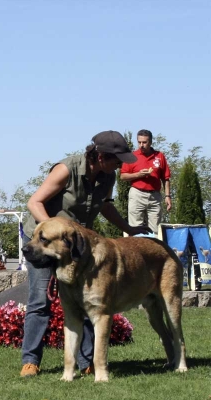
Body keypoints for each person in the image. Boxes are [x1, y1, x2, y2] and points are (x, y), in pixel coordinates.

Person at [20, 130, 150, 378]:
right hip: (44, 242)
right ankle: (30, 361)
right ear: (101, 156)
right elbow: (34, 202)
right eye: (116, 159)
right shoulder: (66, 170)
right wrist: (51, 231)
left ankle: (86, 362)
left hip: (77, 246)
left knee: (90, 300)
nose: (120, 164)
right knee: (40, 301)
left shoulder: (107, 176)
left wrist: (129, 229)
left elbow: (105, 205)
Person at [120, 129, 172, 235]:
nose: (141, 145)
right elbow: (123, 176)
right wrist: (139, 174)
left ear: (151, 142)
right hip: (137, 194)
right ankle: (136, 250)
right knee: (135, 227)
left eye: (144, 142)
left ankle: (153, 250)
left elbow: (166, 178)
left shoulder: (159, 156)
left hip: (155, 196)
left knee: (155, 230)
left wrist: (167, 196)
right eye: (139, 142)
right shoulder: (132, 156)